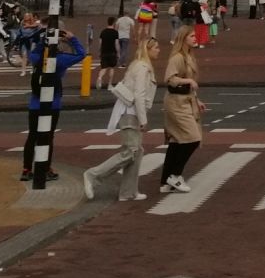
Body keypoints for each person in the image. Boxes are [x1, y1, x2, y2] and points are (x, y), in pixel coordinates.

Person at [83, 34, 160, 202]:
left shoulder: (139, 65)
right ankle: (93, 175)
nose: (158, 51)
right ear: (148, 50)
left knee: (136, 152)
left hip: (131, 112)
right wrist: (143, 119)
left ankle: (128, 192)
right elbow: (139, 94)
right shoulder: (142, 68)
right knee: (131, 151)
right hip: (130, 113)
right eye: (156, 48)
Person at [20, 26, 87, 182]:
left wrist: (42, 40)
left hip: (35, 104)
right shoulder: (61, 59)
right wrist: (72, 38)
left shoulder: (37, 57)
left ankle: (26, 169)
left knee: (32, 136)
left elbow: (31, 49)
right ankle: (45, 168)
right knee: (48, 137)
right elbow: (81, 54)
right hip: (53, 104)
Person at [160, 27, 205, 193]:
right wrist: (188, 81)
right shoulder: (177, 57)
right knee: (193, 138)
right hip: (176, 103)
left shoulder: (189, 55)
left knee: (176, 141)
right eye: (191, 36)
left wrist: (196, 99)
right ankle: (175, 175)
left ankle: (165, 182)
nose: (195, 38)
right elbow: (170, 79)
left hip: (186, 100)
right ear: (183, 38)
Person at [97, 18, 121, 89]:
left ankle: (100, 77)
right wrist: (118, 53)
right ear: (113, 23)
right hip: (112, 52)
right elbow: (116, 44)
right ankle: (110, 85)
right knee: (111, 68)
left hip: (104, 52)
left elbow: (100, 43)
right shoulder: (115, 32)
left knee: (103, 68)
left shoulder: (103, 32)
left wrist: (99, 51)